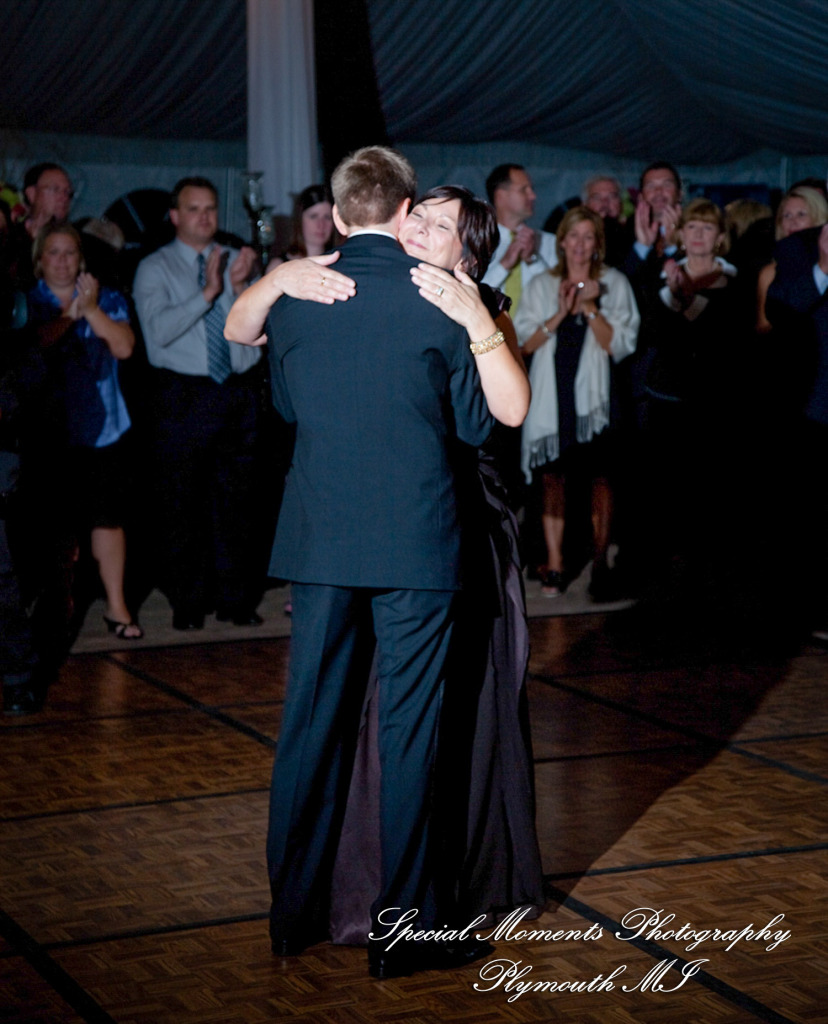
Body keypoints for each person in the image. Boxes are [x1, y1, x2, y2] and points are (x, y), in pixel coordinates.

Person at [259, 147, 499, 980]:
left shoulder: (290, 301)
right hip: (417, 542)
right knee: (409, 735)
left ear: (335, 211)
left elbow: (287, 407)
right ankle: (406, 935)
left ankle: (291, 916)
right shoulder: (439, 299)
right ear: (403, 213)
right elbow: (476, 426)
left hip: (320, 538)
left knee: (307, 728)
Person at [133, 176, 262, 631]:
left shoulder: (234, 259)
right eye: (194, 209)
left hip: (237, 389)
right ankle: (188, 602)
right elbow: (158, 334)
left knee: (239, 501)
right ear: (174, 216)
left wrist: (241, 288)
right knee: (182, 505)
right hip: (183, 394)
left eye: (210, 208)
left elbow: (255, 330)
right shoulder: (155, 267)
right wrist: (208, 292)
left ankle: (236, 599)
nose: (205, 217)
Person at [515, 206, 639, 598]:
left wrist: (588, 307)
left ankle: (600, 561)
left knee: (601, 478)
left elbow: (619, 345)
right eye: (575, 236)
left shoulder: (614, 284)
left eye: (589, 237)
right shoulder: (540, 286)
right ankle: (555, 563)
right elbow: (524, 344)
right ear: (563, 241)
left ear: (597, 244)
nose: (581, 245)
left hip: (598, 401)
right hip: (553, 396)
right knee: (553, 477)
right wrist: (560, 313)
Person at [27, 225, 142, 639]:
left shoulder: (106, 297)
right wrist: (68, 316)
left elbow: (125, 346)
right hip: (47, 433)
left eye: (70, 253)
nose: (62, 261)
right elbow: (34, 345)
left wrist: (90, 310)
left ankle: (117, 606)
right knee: (52, 526)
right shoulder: (28, 301)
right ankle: (53, 614)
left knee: (107, 519)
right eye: (53, 253)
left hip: (103, 429)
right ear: (40, 260)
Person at [481, 164, 556, 313]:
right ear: (500, 196)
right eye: (524, 190)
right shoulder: (478, 242)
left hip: (539, 334)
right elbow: (470, 295)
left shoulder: (550, 242)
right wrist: (503, 265)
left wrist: (533, 260)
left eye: (531, 189)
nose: (533, 196)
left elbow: (558, 295)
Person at [756, 186, 828, 334]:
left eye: (801, 214)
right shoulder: (771, 272)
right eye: (786, 215)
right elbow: (764, 325)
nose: (793, 221)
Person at [270, 184, 336, 264]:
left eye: (327, 217)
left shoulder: (342, 263)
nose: (321, 224)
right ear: (299, 220)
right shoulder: (279, 266)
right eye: (313, 216)